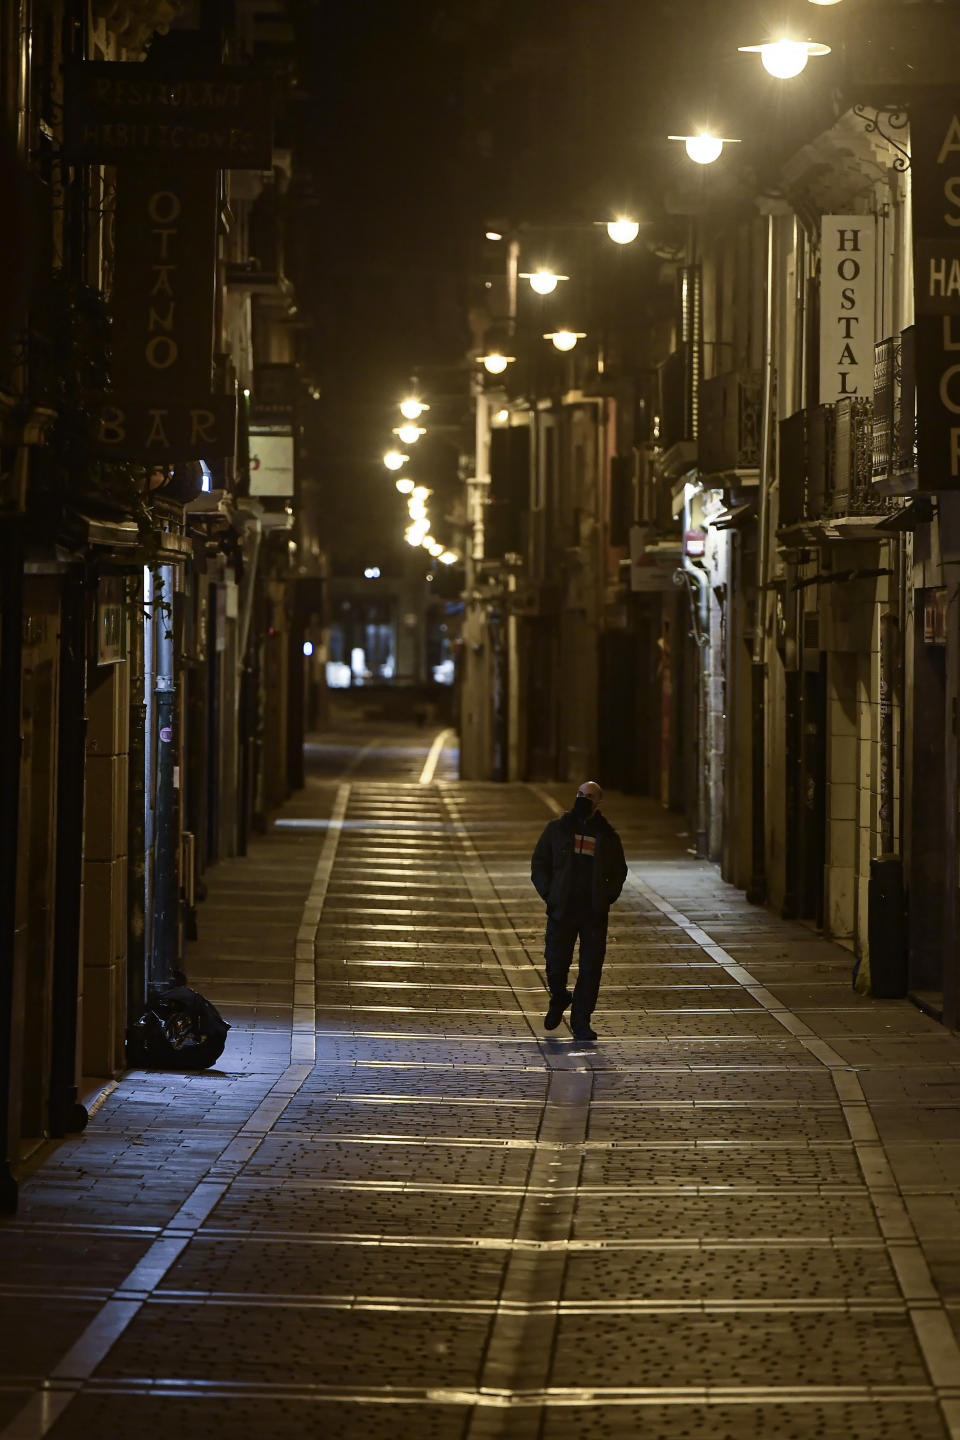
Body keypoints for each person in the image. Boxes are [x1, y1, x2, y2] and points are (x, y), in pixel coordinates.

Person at [530, 781, 627, 1041]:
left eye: (589, 796)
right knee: (555, 961)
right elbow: (540, 862)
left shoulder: (606, 836)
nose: (583, 800)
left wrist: (606, 897)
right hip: (562, 909)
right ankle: (559, 996)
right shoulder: (558, 830)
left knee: (590, 968)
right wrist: (549, 894)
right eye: (580, 795)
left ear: (598, 802)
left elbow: (619, 871)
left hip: (592, 913)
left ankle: (581, 1021)